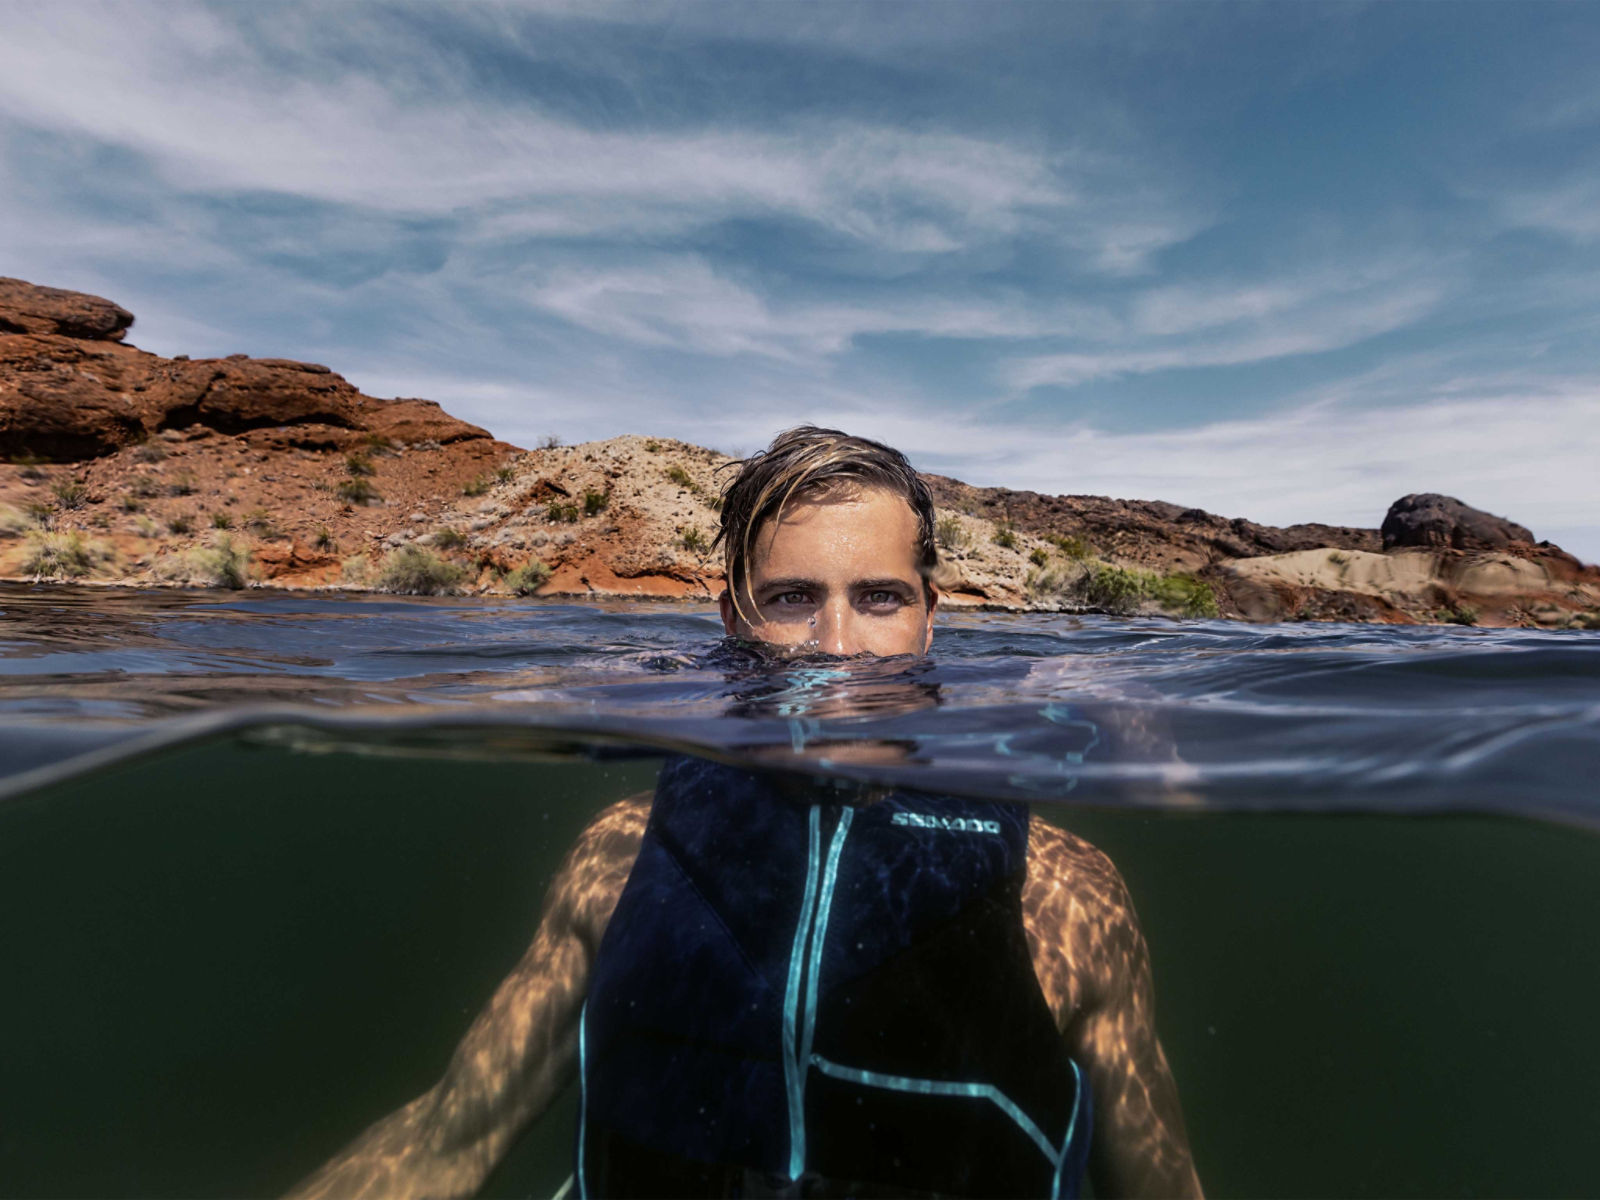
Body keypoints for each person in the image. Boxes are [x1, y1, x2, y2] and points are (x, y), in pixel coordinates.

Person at [290, 427, 1202, 1199]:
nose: (836, 650)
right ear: (732, 621)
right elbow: (447, 1139)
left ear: (929, 617)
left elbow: (1161, 1182)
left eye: (879, 598)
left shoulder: (1063, 892)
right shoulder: (622, 856)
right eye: (793, 599)